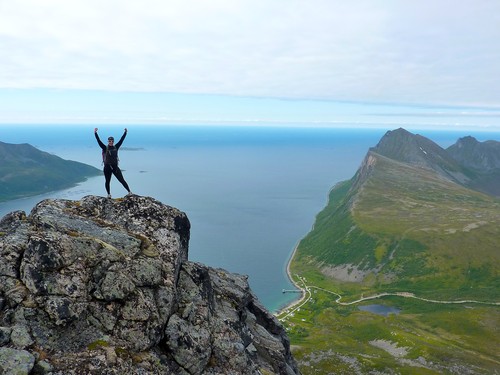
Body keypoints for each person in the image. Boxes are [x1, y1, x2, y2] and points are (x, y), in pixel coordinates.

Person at [94, 128, 132, 198]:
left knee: (122, 180)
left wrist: (125, 133)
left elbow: (121, 140)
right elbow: (98, 141)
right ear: (108, 141)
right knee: (107, 181)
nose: (110, 142)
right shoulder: (105, 148)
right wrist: (95, 133)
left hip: (115, 167)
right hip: (107, 167)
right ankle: (108, 194)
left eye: (111, 141)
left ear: (113, 141)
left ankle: (129, 192)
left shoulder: (116, 147)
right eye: (109, 141)